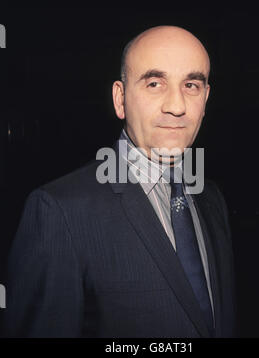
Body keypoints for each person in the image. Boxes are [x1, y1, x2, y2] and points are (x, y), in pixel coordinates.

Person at [1, 25, 236, 338]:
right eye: (155, 83)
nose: (177, 106)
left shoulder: (211, 197)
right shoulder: (59, 211)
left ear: (205, 99)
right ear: (120, 98)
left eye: (191, 85)